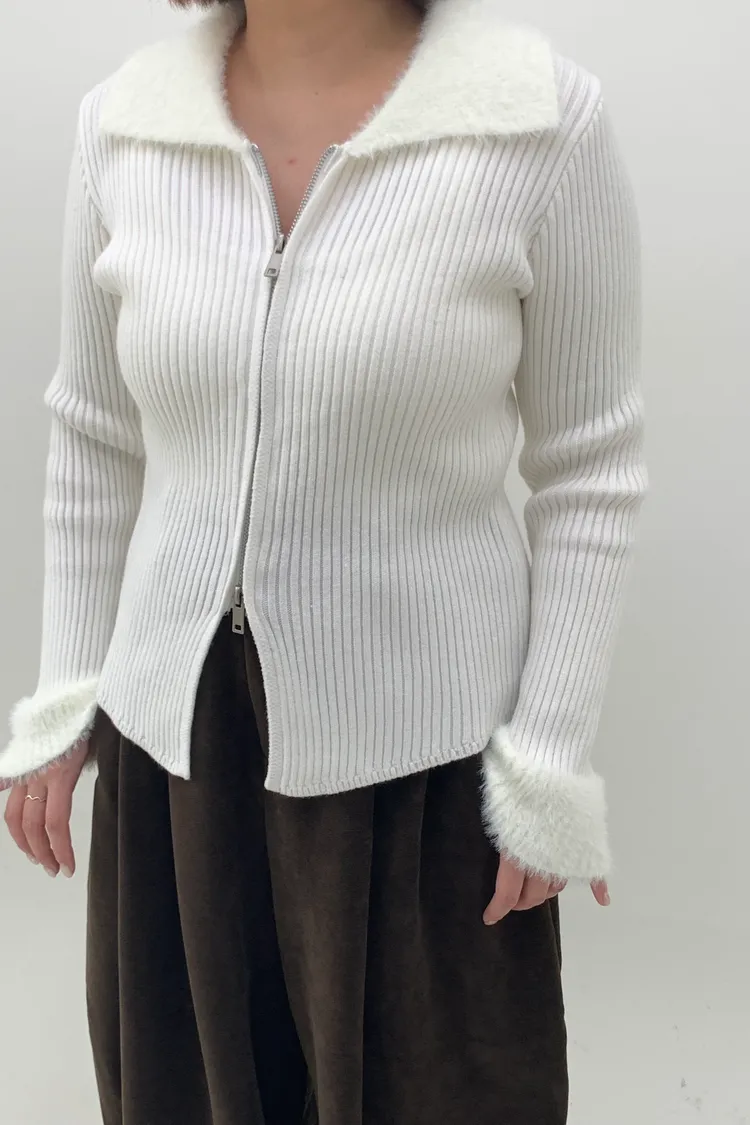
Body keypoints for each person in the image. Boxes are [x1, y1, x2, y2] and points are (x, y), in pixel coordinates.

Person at [0, 0, 648, 1121]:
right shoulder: (126, 125)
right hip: (180, 757)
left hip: (427, 765)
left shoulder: (537, 121)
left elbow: (590, 464)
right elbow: (94, 437)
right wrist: (63, 699)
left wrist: (547, 759)